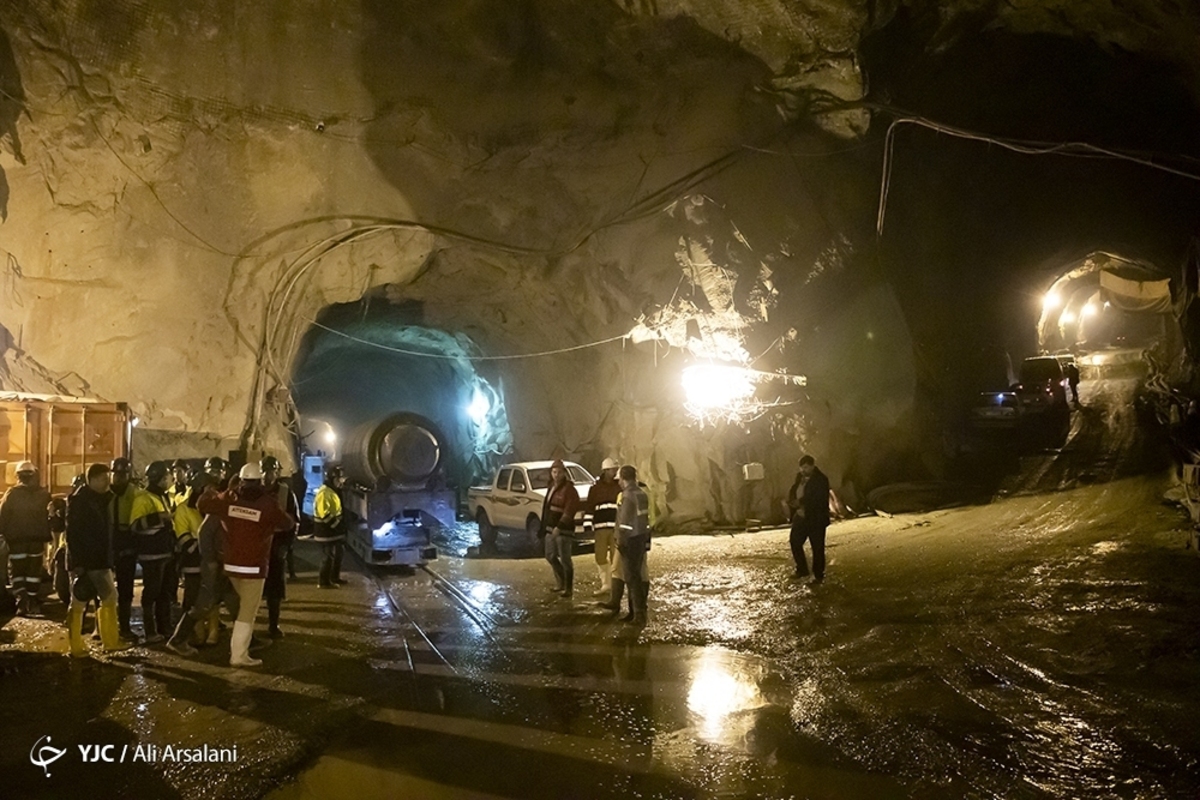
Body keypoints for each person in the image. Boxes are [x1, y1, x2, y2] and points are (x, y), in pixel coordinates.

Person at [198, 462, 294, 667]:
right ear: (259, 480)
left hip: (231, 565)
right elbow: (287, 523)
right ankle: (239, 655)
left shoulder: (228, 498)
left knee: (242, 606)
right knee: (247, 612)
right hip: (254, 567)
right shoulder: (268, 503)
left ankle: (240, 652)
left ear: (241, 480)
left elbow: (203, 505)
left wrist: (209, 493)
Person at [65, 463, 131, 655]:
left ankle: (101, 641)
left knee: (99, 599)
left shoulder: (99, 499)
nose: (106, 482)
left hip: (99, 558)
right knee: (92, 599)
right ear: (91, 480)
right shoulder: (80, 501)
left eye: (106, 478)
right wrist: (78, 563)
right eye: (102, 478)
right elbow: (73, 535)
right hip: (90, 560)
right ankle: (94, 643)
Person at [130, 461, 176, 643]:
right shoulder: (143, 498)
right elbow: (135, 526)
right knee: (151, 594)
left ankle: (164, 629)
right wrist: (160, 518)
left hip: (164, 553)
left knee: (164, 594)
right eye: (167, 477)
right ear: (160, 478)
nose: (169, 480)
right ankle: (150, 631)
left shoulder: (161, 496)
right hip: (152, 555)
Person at [0, 461, 52, 617]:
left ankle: (21, 603)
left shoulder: (11, 494)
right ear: (34, 475)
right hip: (36, 541)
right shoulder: (44, 495)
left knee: (17, 572)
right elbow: (51, 517)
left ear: (18, 476)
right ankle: (33, 602)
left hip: (16, 542)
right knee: (33, 573)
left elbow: (2, 516)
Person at [261, 455, 299, 637]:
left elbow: (294, 522)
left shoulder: (285, 493)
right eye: (264, 471)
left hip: (276, 546)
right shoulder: (253, 491)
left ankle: (273, 625)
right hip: (257, 546)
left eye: (270, 471)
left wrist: (286, 546)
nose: (267, 475)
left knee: (275, 590)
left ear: (277, 472)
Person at [614, 465, 650, 625]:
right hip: (641, 537)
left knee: (631, 577)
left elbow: (625, 523)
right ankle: (634, 612)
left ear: (623, 478)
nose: (619, 482)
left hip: (630, 540)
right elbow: (645, 520)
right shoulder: (642, 494)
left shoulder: (627, 496)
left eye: (619, 479)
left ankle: (638, 614)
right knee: (636, 576)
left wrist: (621, 542)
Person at [787, 455, 830, 583]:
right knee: (795, 541)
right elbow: (794, 490)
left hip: (815, 518)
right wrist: (793, 503)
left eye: (806, 467)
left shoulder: (821, 479)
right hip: (801, 516)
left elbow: (818, 498)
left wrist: (800, 502)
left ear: (812, 466)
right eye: (801, 467)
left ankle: (818, 575)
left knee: (817, 547)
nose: (803, 470)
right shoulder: (799, 477)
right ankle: (802, 569)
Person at [109, 457, 139, 641]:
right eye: (117, 473)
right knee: (104, 590)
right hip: (107, 543)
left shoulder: (134, 493)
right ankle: (104, 627)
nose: (119, 477)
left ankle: (125, 626)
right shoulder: (104, 493)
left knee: (126, 589)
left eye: (123, 473)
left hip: (127, 543)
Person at [541, 459, 580, 598]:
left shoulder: (569, 490)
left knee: (565, 559)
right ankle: (561, 583)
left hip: (563, 530)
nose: (556, 475)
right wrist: (544, 527)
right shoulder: (551, 487)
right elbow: (546, 508)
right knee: (550, 556)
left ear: (564, 473)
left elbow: (570, 510)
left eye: (559, 472)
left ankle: (568, 588)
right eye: (554, 472)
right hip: (551, 528)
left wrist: (560, 526)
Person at [582, 458, 620, 597]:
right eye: (613, 469)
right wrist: (587, 524)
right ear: (605, 470)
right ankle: (606, 584)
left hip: (616, 528)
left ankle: (616, 586)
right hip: (600, 528)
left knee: (616, 558)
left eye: (616, 469)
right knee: (600, 556)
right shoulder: (596, 488)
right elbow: (590, 506)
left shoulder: (619, 486)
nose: (615, 472)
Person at [313, 464, 347, 588]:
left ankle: (334, 577)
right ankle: (323, 582)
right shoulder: (325, 492)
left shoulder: (333, 490)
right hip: (325, 531)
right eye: (339, 479)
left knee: (338, 554)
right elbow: (324, 514)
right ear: (333, 478)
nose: (341, 482)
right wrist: (337, 525)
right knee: (327, 557)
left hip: (332, 532)